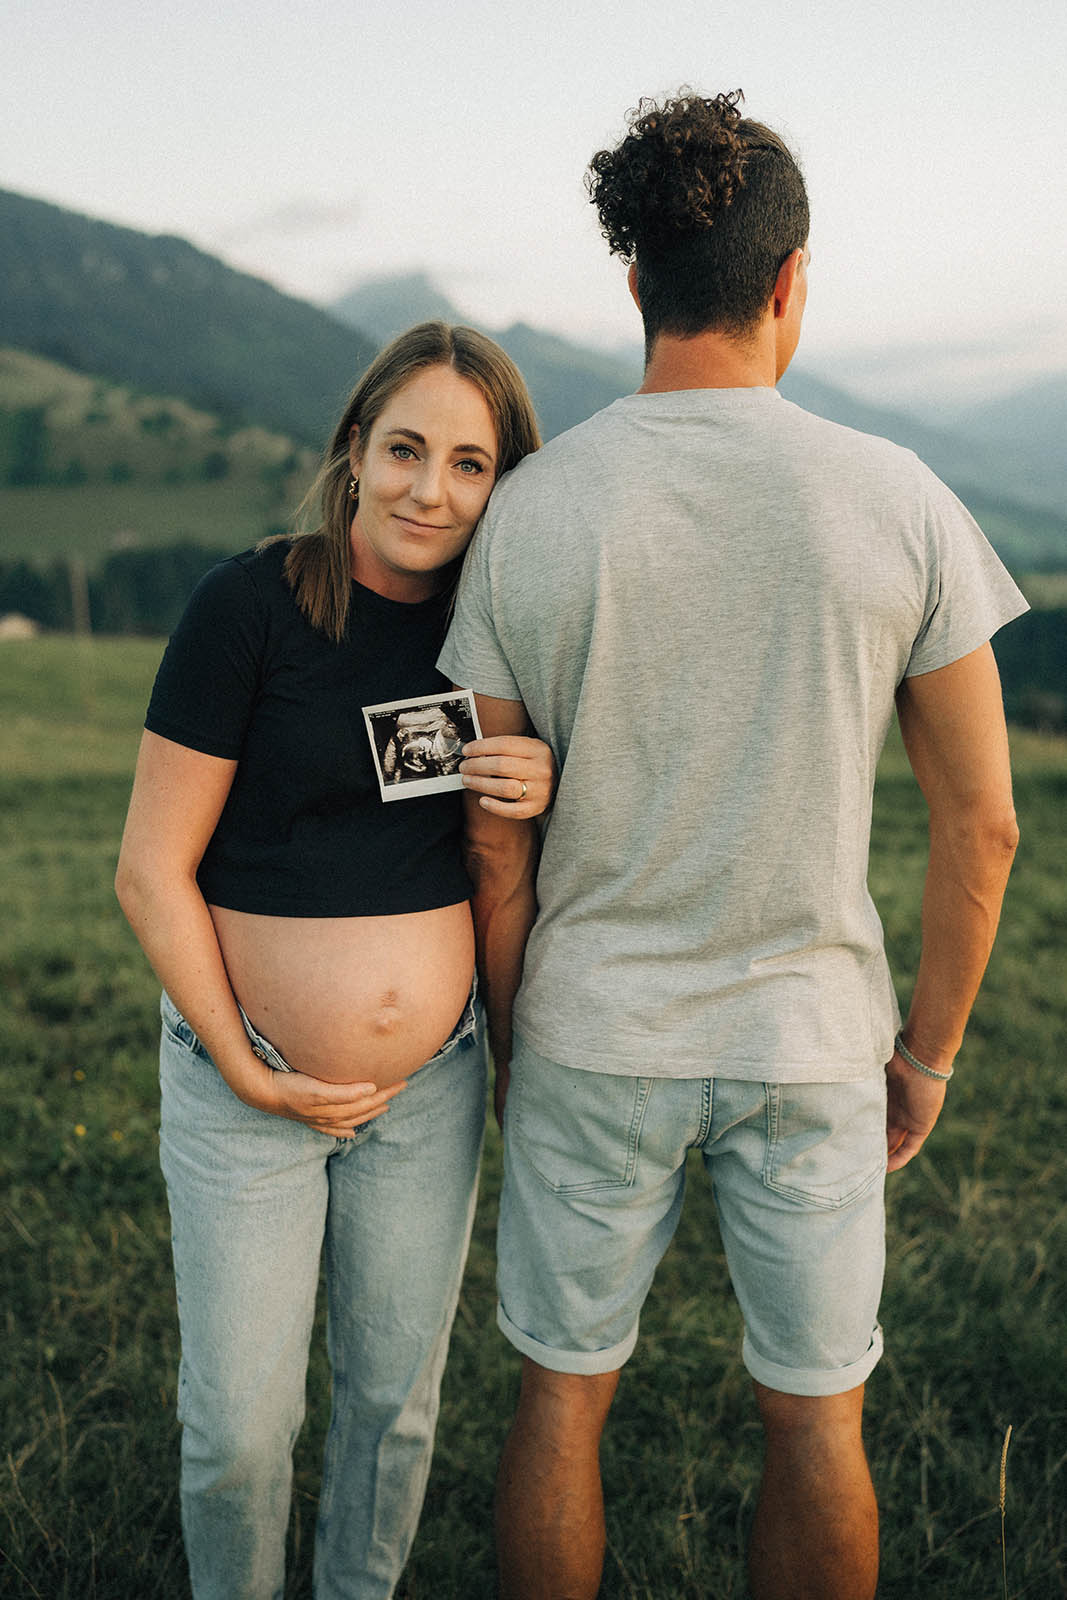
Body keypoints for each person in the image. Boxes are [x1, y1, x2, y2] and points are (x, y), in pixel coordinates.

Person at [438, 92, 1027, 1600]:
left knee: (559, 1395)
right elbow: (981, 826)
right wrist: (925, 1058)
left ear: (634, 280)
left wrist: (513, 1043)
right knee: (815, 1419)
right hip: (810, 1039)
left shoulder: (529, 512)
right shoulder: (898, 499)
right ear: (788, 282)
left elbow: (492, 839)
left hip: (590, 1030)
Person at [115, 321, 553, 1600]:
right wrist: (248, 1068)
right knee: (238, 1431)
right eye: (405, 449)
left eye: (469, 464)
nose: (431, 491)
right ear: (353, 451)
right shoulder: (248, 606)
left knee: (390, 1406)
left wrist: (541, 779)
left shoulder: (496, 634)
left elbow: (508, 852)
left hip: (428, 1089)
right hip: (245, 1081)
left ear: (503, 484)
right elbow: (149, 869)